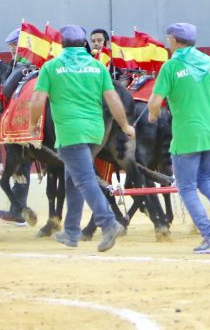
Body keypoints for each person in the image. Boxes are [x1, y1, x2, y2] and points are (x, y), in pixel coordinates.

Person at [29, 24, 133, 251]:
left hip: (70, 133)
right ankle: (72, 232)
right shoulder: (97, 66)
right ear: (84, 43)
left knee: (84, 179)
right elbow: (113, 98)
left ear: (62, 44)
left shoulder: (52, 67)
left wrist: (32, 125)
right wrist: (124, 124)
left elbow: (37, 101)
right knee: (73, 178)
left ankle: (108, 223)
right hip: (96, 134)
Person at [147, 22, 210, 254]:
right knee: (206, 179)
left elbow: (154, 103)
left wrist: (152, 114)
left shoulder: (171, 66)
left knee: (187, 188)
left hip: (188, 135)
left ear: (173, 40)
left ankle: (209, 237)